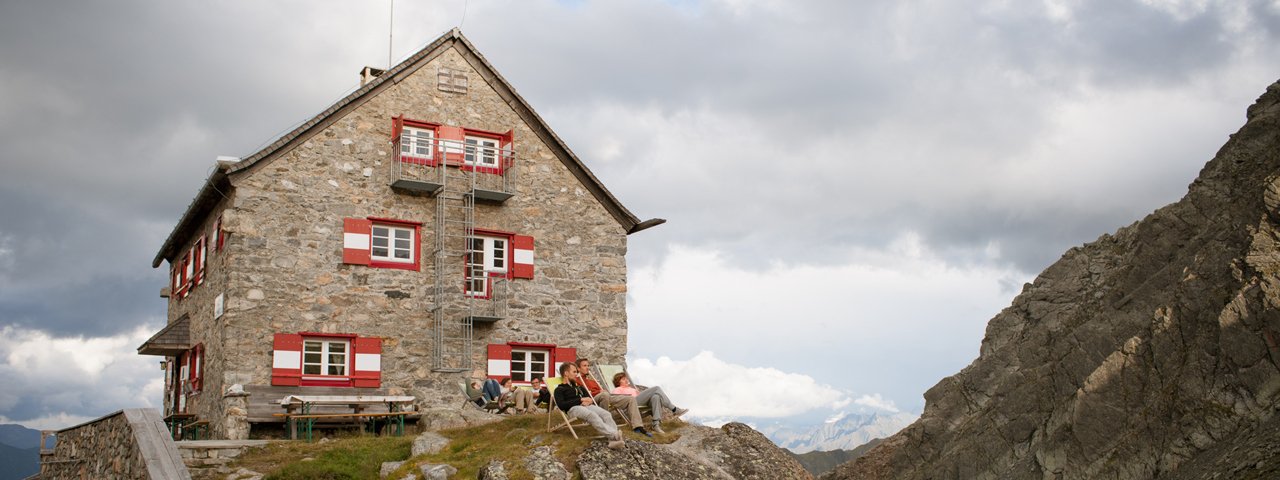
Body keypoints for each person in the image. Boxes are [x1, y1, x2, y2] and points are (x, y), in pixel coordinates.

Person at [555, 363, 624, 449]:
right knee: (592, 415)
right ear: (566, 373)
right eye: (574, 372)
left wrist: (588, 401)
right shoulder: (559, 389)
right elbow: (561, 405)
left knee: (606, 414)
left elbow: (589, 398)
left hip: (587, 406)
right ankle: (614, 434)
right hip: (573, 409)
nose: (576, 374)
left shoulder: (580, 388)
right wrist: (580, 400)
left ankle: (613, 441)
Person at [575, 358, 650, 437]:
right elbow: (583, 395)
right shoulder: (576, 381)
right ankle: (605, 423)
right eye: (584, 366)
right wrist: (599, 392)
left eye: (588, 365)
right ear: (578, 368)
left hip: (604, 397)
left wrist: (601, 391)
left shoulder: (592, 381)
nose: (587, 367)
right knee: (605, 395)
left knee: (630, 399)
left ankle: (638, 426)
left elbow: (602, 391)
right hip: (591, 400)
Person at [611, 372, 689, 434]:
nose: (626, 380)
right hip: (630, 404)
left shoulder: (631, 388)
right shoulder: (617, 389)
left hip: (639, 402)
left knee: (656, 397)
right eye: (623, 379)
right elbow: (619, 400)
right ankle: (674, 409)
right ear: (618, 382)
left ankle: (656, 425)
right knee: (657, 388)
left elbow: (642, 398)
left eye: (626, 379)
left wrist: (636, 392)